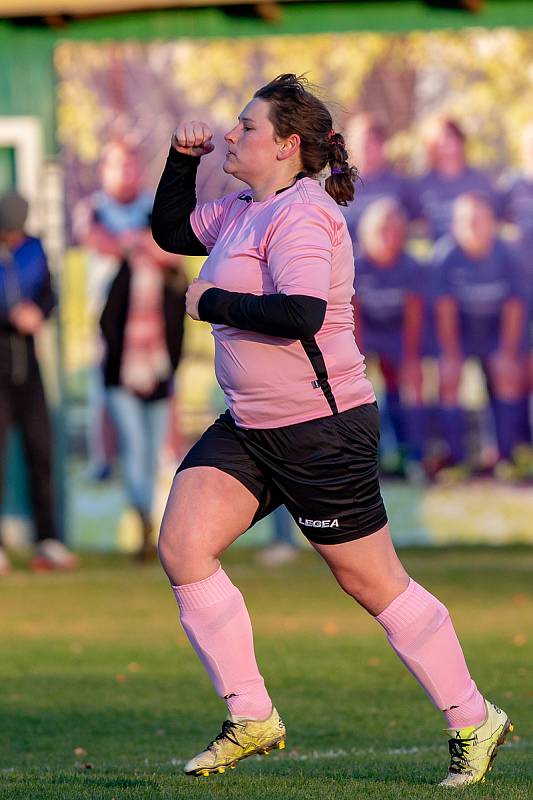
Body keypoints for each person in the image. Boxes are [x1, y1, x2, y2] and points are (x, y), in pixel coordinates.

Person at [151, 74, 512, 786]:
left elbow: (302, 314)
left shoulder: (303, 215)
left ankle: (473, 717)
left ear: (287, 147)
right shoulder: (241, 210)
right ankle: (250, 713)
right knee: (183, 547)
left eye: (246, 128)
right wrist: (178, 160)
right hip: (252, 427)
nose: (232, 134)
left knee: (374, 585)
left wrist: (211, 300)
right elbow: (169, 231)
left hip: (321, 430)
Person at [0, 192, 78, 574]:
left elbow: (48, 294)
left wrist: (37, 312)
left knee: (40, 450)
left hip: (28, 366)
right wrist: (7, 315)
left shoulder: (34, 249)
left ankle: (48, 539)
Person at [99, 231, 186, 560]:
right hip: (123, 379)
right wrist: (131, 365)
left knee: (151, 457)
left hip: (159, 380)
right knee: (134, 447)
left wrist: (163, 370)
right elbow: (107, 321)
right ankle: (142, 516)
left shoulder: (174, 277)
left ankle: (146, 526)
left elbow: (178, 330)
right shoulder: (128, 270)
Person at [72, 140, 154, 481]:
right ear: (105, 170)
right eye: (120, 165)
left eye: (132, 165)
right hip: (106, 320)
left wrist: (134, 244)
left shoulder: (152, 206)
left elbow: (166, 249)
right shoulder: (93, 208)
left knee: (160, 393)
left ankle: (164, 458)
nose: (128, 173)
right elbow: (96, 239)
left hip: (150, 321)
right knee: (103, 394)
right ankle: (103, 461)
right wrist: (136, 243)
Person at [434, 192, 529, 473]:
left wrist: (506, 352)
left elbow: (514, 307)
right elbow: (445, 311)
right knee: (449, 377)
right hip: (461, 334)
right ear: (455, 226)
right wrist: (452, 356)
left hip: (497, 333)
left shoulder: (508, 254)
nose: (474, 227)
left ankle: (504, 457)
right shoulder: (446, 256)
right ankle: (457, 457)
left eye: (480, 220)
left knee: (508, 374)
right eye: (467, 221)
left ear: (493, 223)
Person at [354, 197, 426, 477]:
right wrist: (358, 362)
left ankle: (414, 457)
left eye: (396, 231)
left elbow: (413, 318)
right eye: (382, 230)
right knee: (361, 389)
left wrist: (409, 360)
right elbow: (353, 317)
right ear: (368, 233)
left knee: (410, 384)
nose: (388, 237)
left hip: (398, 336)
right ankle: (369, 458)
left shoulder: (410, 266)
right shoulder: (356, 264)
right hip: (367, 335)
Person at [415, 115, 500, 242]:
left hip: (477, 257)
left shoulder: (480, 181)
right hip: (441, 257)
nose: (446, 145)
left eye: (451, 137)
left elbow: (497, 221)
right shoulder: (422, 187)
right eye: (440, 140)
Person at [342, 113, 416, 249]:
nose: (367, 147)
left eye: (372, 141)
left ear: (382, 145)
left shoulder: (400, 184)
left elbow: (416, 225)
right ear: (349, 146)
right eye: (361, 141)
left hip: (391, 263)